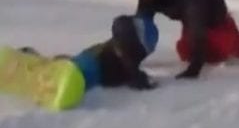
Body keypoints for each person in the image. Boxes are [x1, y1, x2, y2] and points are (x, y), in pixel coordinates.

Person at [20, 14, 159, 91]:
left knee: (67, 66)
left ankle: (36, 62)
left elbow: (135, 75)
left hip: (88, 65)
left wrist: (143, 80)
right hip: (90, 64)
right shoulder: (121, 49)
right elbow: (134, 73)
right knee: (67, 68)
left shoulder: (128, 60)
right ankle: (32, 63)